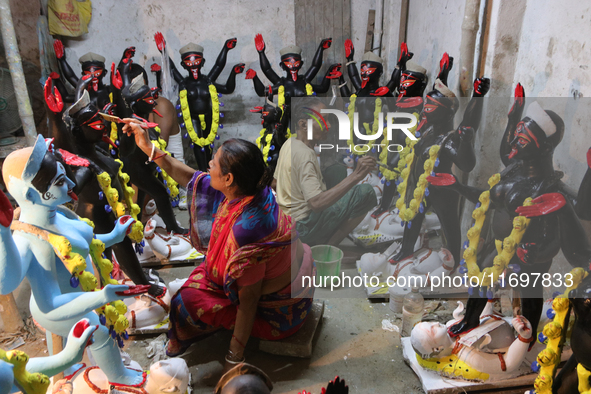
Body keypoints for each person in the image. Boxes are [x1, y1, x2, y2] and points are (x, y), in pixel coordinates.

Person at [123, 121, 315, 371]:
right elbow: (190, 176)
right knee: (198, 275)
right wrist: (148, 147)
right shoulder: (252, 189)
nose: (208, 166)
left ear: (228, 178)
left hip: (278, 313)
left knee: (184, 303)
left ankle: (183, 343)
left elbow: (248, 303)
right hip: (289, 280)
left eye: (213, 162)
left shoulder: (247, 231)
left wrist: (234, 356)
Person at [273, 98, 378, 246]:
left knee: (337, 171)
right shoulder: (305, 155)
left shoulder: (290, 142)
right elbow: (316, 204)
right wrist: (356, 176)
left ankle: (323, 235)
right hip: (302, 227)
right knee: (366, 193)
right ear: (303, 124)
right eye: (323, 121)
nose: (328, 125)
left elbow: (275, 182)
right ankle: (328, 247)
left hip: (287, 219)